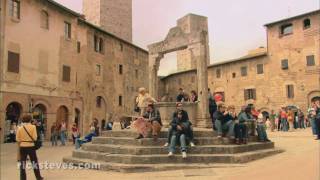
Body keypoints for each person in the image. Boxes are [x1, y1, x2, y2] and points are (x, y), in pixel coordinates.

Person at [16, 115, 43, 180]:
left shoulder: (20, 128)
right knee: (34, 162)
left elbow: (17, 139)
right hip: (31, 146)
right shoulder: (33, 127)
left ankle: (23, 178)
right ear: (30, 120)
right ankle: (38, 177)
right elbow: (35, 137)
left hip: (22, 146)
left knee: (22, 163)